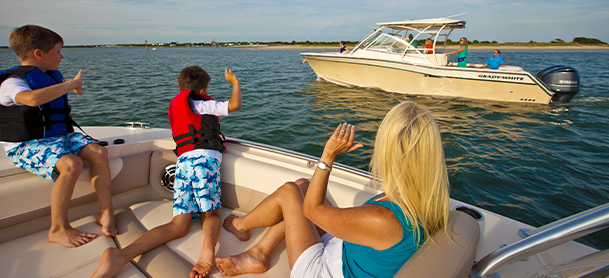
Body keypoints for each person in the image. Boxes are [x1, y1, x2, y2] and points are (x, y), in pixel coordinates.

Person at [215, 101, 451, 278]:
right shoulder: (426, 201)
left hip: (323, 271)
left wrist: (328, 155)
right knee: (303, 186)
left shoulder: (384, 219)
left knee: (290, 192)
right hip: (347, 252)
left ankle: (241, 225)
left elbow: (311, 211)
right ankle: (260, 252)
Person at [92, 65, 242, 278]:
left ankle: (121, 255)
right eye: (207, 89)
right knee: (211, 214)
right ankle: (207, 252)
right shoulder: (201, 103)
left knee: (178, 225)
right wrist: (235, 83)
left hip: (183, 163)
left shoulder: (175, 106)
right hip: (204, 160)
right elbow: (235, 104)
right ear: (202, 90)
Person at [0, 25, 117, 248]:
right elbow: (32, 99)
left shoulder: (49, 76)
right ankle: (58, 228)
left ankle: (106, 211)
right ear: (39, 54)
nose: (62, 57)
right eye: (58, 52)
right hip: (26, 144)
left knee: (99, 152)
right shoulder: (11, 82)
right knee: (71, 164)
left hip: (59, 136)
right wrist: (72, 84)